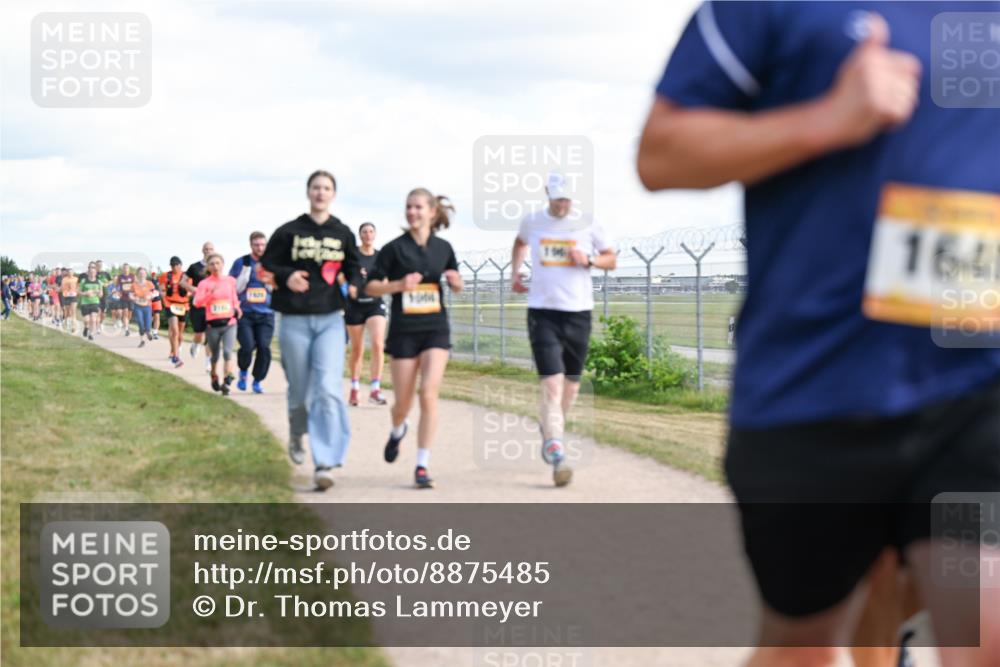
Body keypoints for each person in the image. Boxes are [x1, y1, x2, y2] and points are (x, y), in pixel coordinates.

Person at [637, 4, 999, 667]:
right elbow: (661, 154)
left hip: (974, 382)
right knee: (803, 646)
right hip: (814, 382)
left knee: (986, 632)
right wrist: (829, 119)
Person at [511, 172, 616, 487]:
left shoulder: (588, 222)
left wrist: (590, 261)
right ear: (548, 196)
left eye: (567, 199)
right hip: (542, 312)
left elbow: (611, 259)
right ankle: (557, 451)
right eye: (558, 199)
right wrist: (516, 272)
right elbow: (519, 243)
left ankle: (551, 430)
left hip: (578, 313)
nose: (562, 205)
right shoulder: (533, 222)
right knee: (552, 386)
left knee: (570, 387)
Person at [260, 169, 361, 491]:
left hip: (330, 319)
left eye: (326, 188)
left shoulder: (342, 232)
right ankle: (296, 432)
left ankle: (325, 463)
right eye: (316, 187)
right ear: (308, 192)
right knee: (300, 394)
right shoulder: (289, 231)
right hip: (294, 320)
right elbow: (268, 264)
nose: (321, 192)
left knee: (328, 389)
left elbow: (353, 268)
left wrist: (356, 286)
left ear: (333, 194)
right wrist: (287, 275)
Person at [365, 188, 463, 489]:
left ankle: (422, 465)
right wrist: (398, 285)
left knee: (429, 394)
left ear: (432, 212)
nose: (412, 212)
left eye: (418, 207)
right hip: (404, 331)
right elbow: (370, 288)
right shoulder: (394, 249)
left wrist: (456, 282)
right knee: (403, 404)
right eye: (408, 207)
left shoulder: (443, 248)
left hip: (435, 328)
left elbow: (456, 282)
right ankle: (398, 430)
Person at [346, 222, 389, 406]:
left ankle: (375, 389)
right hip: (355, 306)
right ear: (360, 235)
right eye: (364, 231)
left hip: (375, 305)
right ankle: (355, 388)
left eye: (371, 231)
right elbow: (342, 275)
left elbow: (386, 279)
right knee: (357, 349)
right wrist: (349, 286)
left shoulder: (380, 257)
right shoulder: (352, 255)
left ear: (375, 234)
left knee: (378, 344)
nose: (368, 234)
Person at [229, 231, 275, 394]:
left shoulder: (271, 263)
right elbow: (231, 286)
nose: (260, 247)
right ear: (251, 245)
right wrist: (234, 306)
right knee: (247, 346)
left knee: (264, 347)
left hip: (266, 314)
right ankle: (243, 372)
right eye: (257, 244)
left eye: (263, 244)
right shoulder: (241, 263)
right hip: (245, 313)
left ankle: (257, 380)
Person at [193, 253, 241, 395]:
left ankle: (227, 381)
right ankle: (214, 375)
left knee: (227, 352)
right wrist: (210, 294)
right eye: (212, 264)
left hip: (230, 322)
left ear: (223, 264)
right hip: (212, 324)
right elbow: (197, 302)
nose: (215, 266)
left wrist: (237, 308)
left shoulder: (230, 281)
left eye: (218, 263)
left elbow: (234, 298)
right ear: (208, 266)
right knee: (215, 355)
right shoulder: (204, 284)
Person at [160, 256, 195, 368]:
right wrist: (165, 300)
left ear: (181, 265)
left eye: (176, 265)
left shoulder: (187, 277)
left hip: (183, 306)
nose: (174, 267)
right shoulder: (165, 276)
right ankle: (176, 357)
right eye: (172, 265)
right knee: (174, 330)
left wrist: (187, 293)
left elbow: (191, 291)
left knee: (180, 333)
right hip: (170, 305)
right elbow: (162, 291)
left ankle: (174, 349)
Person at [187, 242, 215, 371]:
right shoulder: (194, 267)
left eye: (211, 249)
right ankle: (195, 344)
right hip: (198, 304)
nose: (208, 251)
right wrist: (195, 289)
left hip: (212, 305)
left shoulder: (216, 266)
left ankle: (208, 362)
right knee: (200, 334)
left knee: (211, 334)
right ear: (202, 250)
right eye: (206, 249)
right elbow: (182, 282)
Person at [130, 267, 156, 346]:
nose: (142, 275)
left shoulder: (149, 283)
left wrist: (150, 296)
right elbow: (130, 294)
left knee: (147, 325)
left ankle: (148, 332)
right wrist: (133, 298)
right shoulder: (134, 285)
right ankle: (142, 341)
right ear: (137, 274)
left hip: (147, 306)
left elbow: (155, 293)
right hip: (138, 306)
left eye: (143, 273)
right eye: (140, 273)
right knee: (140, 323)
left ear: (146, 274)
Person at [78, 263, 103, 341]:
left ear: (95, 273)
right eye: (90, 272)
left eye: (94, 272)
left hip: (95, 302)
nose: (92, 274)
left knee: (93, 319)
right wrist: (85, 293)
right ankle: (86, 327)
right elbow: (78, 292)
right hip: (85, 303)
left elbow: (101, 294)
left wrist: (99, 293)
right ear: (88, 273)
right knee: (87, 320)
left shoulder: (99, 282)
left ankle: (90, 334)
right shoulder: (83, 281)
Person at [116, 263, 136, 335]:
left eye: (127, 268)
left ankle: (126, 324)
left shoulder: (133, 276)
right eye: (124, 268)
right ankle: (127, 329)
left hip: (131, 297)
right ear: (122, 269)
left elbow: (135, 285)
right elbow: (117, 286)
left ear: (129, 269)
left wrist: (135, 293)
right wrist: (118, 292)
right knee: (125, 313)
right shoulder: (120, 277)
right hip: (123, 297)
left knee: (129, 315)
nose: (125, 269)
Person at [60, 267, 79, 333]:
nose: (70, 273)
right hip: (66, 296)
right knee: (67, 313)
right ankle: (65, 323)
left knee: (73, 312)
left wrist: (76, 291)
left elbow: (79, 287)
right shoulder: (64, 279)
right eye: (69, 272)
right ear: (67, 273)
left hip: (74, 297)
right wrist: (67, 290)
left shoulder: (76, 279)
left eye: (71, 272)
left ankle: (73, 327)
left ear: (73, 273)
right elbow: (62, 288)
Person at [149, 271, 162, 340]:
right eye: (152, 274)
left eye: (155, 274)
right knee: (150, 317)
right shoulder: (148, 281)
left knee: (157, 316)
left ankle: (155, 333)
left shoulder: (159, 281)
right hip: (149, 301)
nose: (154, 275)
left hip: (157, 300)